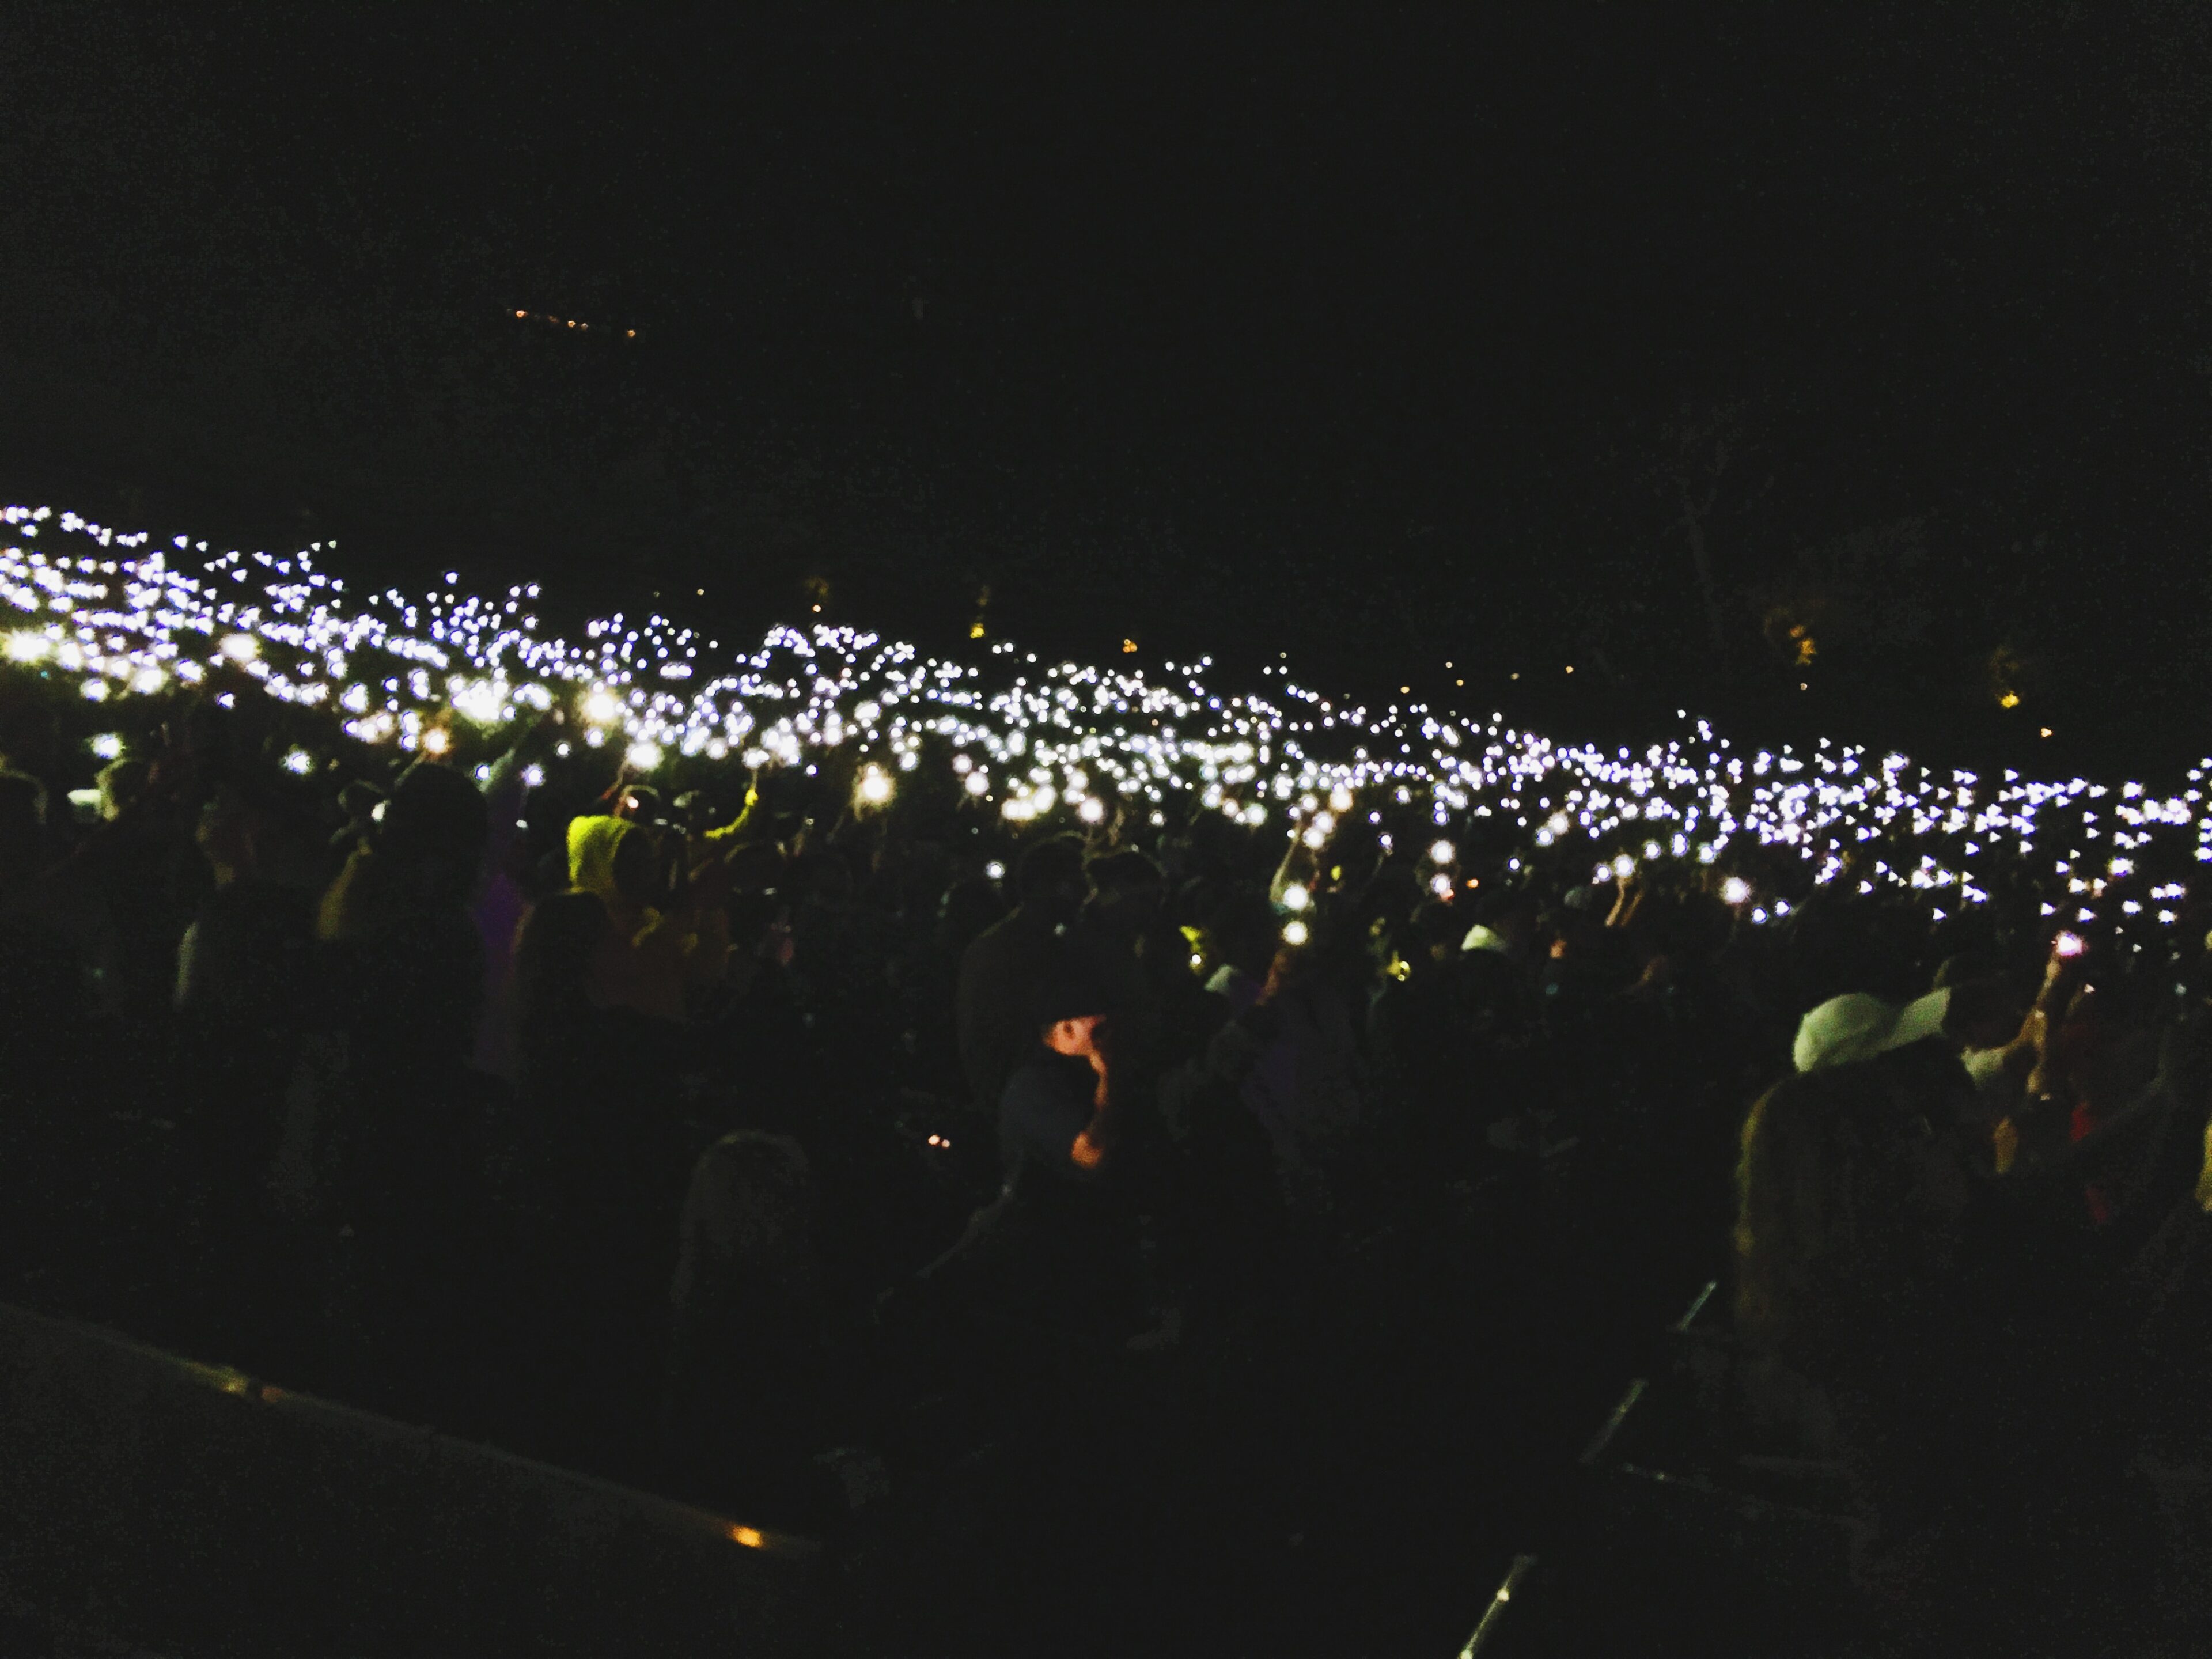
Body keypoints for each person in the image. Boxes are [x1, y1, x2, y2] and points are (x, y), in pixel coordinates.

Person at [955, 836, 1086, 1123]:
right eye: (1074, 884)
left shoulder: (1046, 942)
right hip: (1019, 1102)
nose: (1083, 896)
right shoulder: (1006, 951)